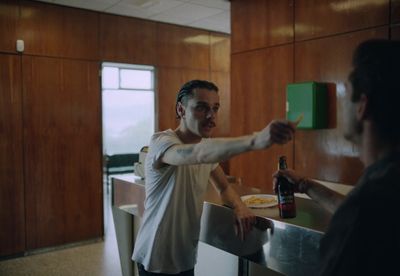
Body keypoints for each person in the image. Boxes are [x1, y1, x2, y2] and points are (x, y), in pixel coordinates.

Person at [132, 79, 297, 275]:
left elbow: (224, 187)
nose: (211, 116)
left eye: (215, 108)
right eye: (201, 108)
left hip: (184, 256)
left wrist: (239, 206)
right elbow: (197, 154)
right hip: (156, 257)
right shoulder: (162, 142)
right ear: (181, 110)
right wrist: (257, 139)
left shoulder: (206, 147)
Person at [273, 39, 400, 276]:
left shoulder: (368, 203)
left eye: (346, 95)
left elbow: (360, 213)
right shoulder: (388, 180)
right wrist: (304, 184)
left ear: (362, 105)